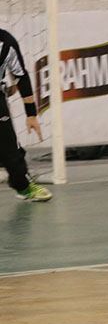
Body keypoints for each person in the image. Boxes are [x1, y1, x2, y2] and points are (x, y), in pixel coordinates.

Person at [0, 28, 52, 202]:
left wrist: (31, 115)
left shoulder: (6, 43)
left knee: (10, 151)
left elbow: (21, 77)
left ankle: (23, 186)